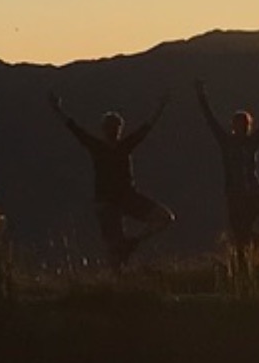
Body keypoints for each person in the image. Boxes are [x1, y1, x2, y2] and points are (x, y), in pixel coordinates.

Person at [50, 92, 174, 266]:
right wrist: (160, 107)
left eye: (115, 127)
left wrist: (57, 110)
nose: (113, 130)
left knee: (163, 218)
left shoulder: (111, 146)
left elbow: (74, 128)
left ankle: (129, 248)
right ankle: (118, 276)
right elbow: (74, 128)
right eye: (112, 127)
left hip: (122, 198)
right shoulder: (111, 147)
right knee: (115, 246)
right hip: (110, 202)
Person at [194, 81, 259, 261]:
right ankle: (247, 269)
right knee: (241, 248)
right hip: (237, 199)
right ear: (233, 126)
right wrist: (201, 96)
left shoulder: (250, 142)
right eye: (238, 124)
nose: (240, 127)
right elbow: (210, 120)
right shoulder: (227, 142)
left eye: (243, 124)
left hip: (253, 195)